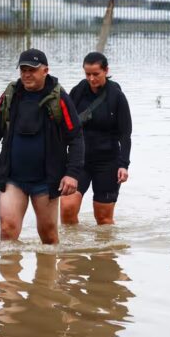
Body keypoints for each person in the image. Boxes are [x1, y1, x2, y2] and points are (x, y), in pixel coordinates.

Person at [0, 48, 84, 244]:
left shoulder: (60, 99)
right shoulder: (10, 95)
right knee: (7, 231)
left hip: (46, 181)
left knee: (48, 236)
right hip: (13, 177)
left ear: (45, 70)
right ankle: (9, 275)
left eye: (32, 70)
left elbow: (76, 137)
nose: (27, 75)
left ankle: (47, 274)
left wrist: (72, 173)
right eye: (23, 70)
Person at [60, 52, 132, 225]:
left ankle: (104, 251)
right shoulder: (78, 92)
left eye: (96, 74)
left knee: (103, 219)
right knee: (67, 209)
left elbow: (125, 134)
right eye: (87, 74)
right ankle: (71, 251)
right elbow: (65, 125)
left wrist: (123, 164)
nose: (91, 79)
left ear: (106, 71)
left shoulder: (117, 97)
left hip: (107, 163)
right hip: (79, 162)